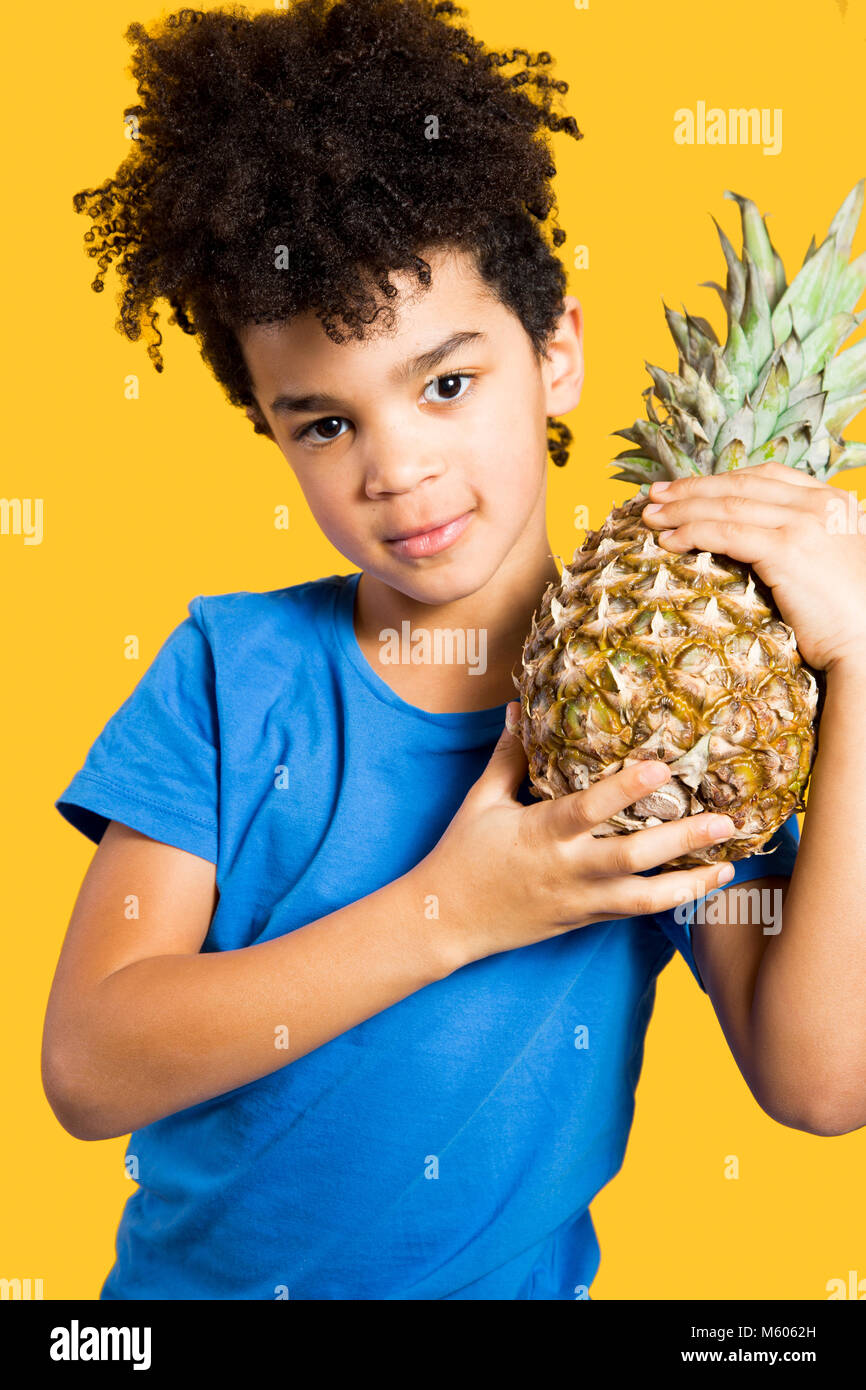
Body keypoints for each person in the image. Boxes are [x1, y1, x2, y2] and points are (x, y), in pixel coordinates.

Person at [43, 0, 865, 1301]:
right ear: (271, 430)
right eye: (322, 423)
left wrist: (863, 673)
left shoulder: (684, 697)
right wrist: (456, 910)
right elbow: (89, 1064)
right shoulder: (229, 672)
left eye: (443, 383)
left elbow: (820, 1079)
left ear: (554, 355)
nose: (396, 466)